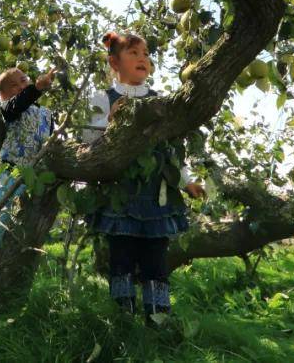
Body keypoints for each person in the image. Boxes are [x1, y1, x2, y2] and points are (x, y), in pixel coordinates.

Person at [83, 32, 205, 324]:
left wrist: (186, 180)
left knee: (155, 261)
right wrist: (107, 122)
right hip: (119, 194)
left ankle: (157, 319)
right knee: (121, 258)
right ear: (114, 62)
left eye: (146, 54)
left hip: (155, 196)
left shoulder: (159, 102)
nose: (142, 59)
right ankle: (122, 318)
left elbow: (171, 150)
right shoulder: (102, 98)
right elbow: (86, 139)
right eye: (134, 53)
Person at [0, 66, 56, 276]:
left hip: (34, 179)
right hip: (9, 174)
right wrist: (35, 88)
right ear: (2, 94)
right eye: (14, 85)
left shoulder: (46, 113)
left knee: (27, 228)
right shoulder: (10, 108)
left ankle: (17, 276)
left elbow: (50, 143)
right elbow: (18, 104)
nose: (21, 86)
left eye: (24, 80)